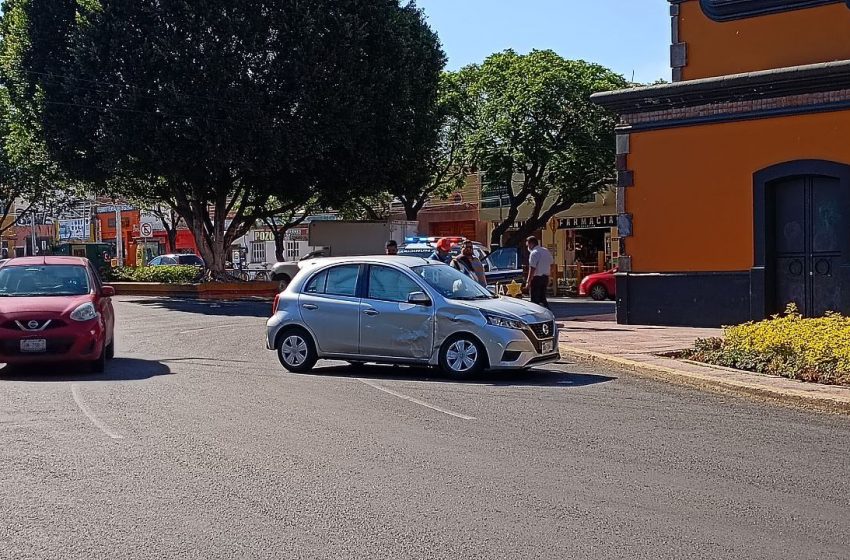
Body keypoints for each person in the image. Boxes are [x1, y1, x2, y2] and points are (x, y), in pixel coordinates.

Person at [526, 236, 553, 309]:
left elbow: (532, 268)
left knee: (535, 299)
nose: (528, 247)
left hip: (536, 279)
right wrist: (550, 276)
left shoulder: (534, 253)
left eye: (528, 245)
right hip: (545, 278)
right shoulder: (546, 251)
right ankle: (547, 311)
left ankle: (536, 315)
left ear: (531, 244)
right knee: (542, 297)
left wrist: (528, 281)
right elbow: (551, 263)